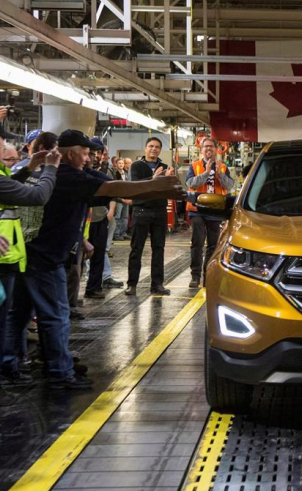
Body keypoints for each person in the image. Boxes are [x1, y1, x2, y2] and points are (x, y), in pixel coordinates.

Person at [4, 129, 185, 389]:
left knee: (19, 314)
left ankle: (13, 365)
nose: (90, 158)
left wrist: (156, 191)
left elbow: (114, 190)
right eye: (86, 153)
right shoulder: (64, 175)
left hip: (31, 253)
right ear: (69, 153)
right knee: (55, 315)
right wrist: (157, 187)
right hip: (45, 256)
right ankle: (59, 372)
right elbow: (112, 187)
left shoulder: (76, 173)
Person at [0, 139, 61, 385]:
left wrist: (28, 168)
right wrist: (50, 168)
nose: (7, 154)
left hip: (10, 258)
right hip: (5, 259)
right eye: (5, 152)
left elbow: (10, 187)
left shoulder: (4, 175)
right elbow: (38, 196)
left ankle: (8, 365)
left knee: (8, 316)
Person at [125, 137, 175, 296]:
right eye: (151, 146)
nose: (154, 149)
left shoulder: (164, 167)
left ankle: (157, 284)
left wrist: (170, 179)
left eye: (157, 147)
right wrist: (153, 179)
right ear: (145, 148)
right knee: (136, 248)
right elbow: (135, 186)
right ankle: (132, 284)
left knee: (159, 249)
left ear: (160, 150)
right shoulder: (136, 166)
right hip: (141, 210)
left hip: (159, 211)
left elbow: (170, 189)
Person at [186, 137, 235, 288]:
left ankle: (208, 275)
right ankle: (195, 276)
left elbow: (230, 186)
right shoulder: (194, 166)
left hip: (215, 210)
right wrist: (206, 173)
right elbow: (190, 184)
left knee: (213, 245)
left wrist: (219, 173)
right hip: (197, 210)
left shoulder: (223, 166)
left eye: (211, 147)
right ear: (201, 150)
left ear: (215, 150)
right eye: (205, 147)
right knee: (197, 243)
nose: (208, 149)